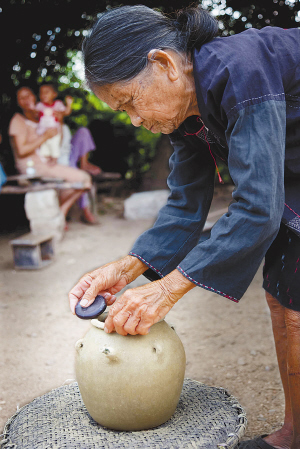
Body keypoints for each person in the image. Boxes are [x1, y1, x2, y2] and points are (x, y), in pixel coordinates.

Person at [68, 6, 300, 449]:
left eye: (130, 101)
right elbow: (184, 204)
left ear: (165, 64)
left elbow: (257, 207)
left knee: (297, 306)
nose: (134, 119)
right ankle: (293, 433)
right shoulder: (185, 115)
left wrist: (166, 290)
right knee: (282, 299)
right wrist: (126, 269)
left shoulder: (241, 67)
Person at [9, 86, 97, 223]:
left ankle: (61, 212)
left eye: (29, 95)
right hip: (32, 167)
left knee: (85, 180)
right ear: (18, 102)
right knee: (82, 179)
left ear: (34, 97)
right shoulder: (17, 120)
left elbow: (57, 140)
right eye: (21, 97)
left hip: (47, 163)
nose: (26, 99)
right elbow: (21, 151)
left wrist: (59, 122)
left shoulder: (41, 118)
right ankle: (59, 214)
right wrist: (45, 136)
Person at [35, 83, 73, 164]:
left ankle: (54, 163)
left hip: (55, 132)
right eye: (41, 92)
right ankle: (47, 163)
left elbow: (66, 112)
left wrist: (69, 104)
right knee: (44, 149)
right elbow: (33, 113)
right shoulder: (39, 105)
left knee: (55, 147)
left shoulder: (58, 104)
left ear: (54, 94)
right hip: (43, 133)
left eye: (46, 92)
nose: (43, 94)